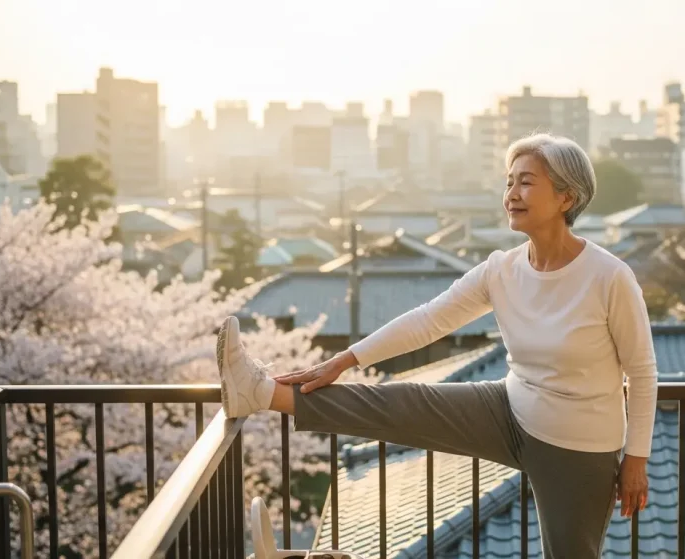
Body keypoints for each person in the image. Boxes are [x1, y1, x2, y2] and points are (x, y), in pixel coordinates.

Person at [216, 132, 658, 558]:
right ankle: (260, 392)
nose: (512, 193)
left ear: (567, 197)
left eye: (527, 181)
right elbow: (429, 320)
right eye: (509, 181)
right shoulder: (500, 270)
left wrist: (635, 458)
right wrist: (346, 359)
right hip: (511, 408)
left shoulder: (608, 276)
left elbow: (641, 372)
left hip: (578, 445)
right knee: (403, 403)